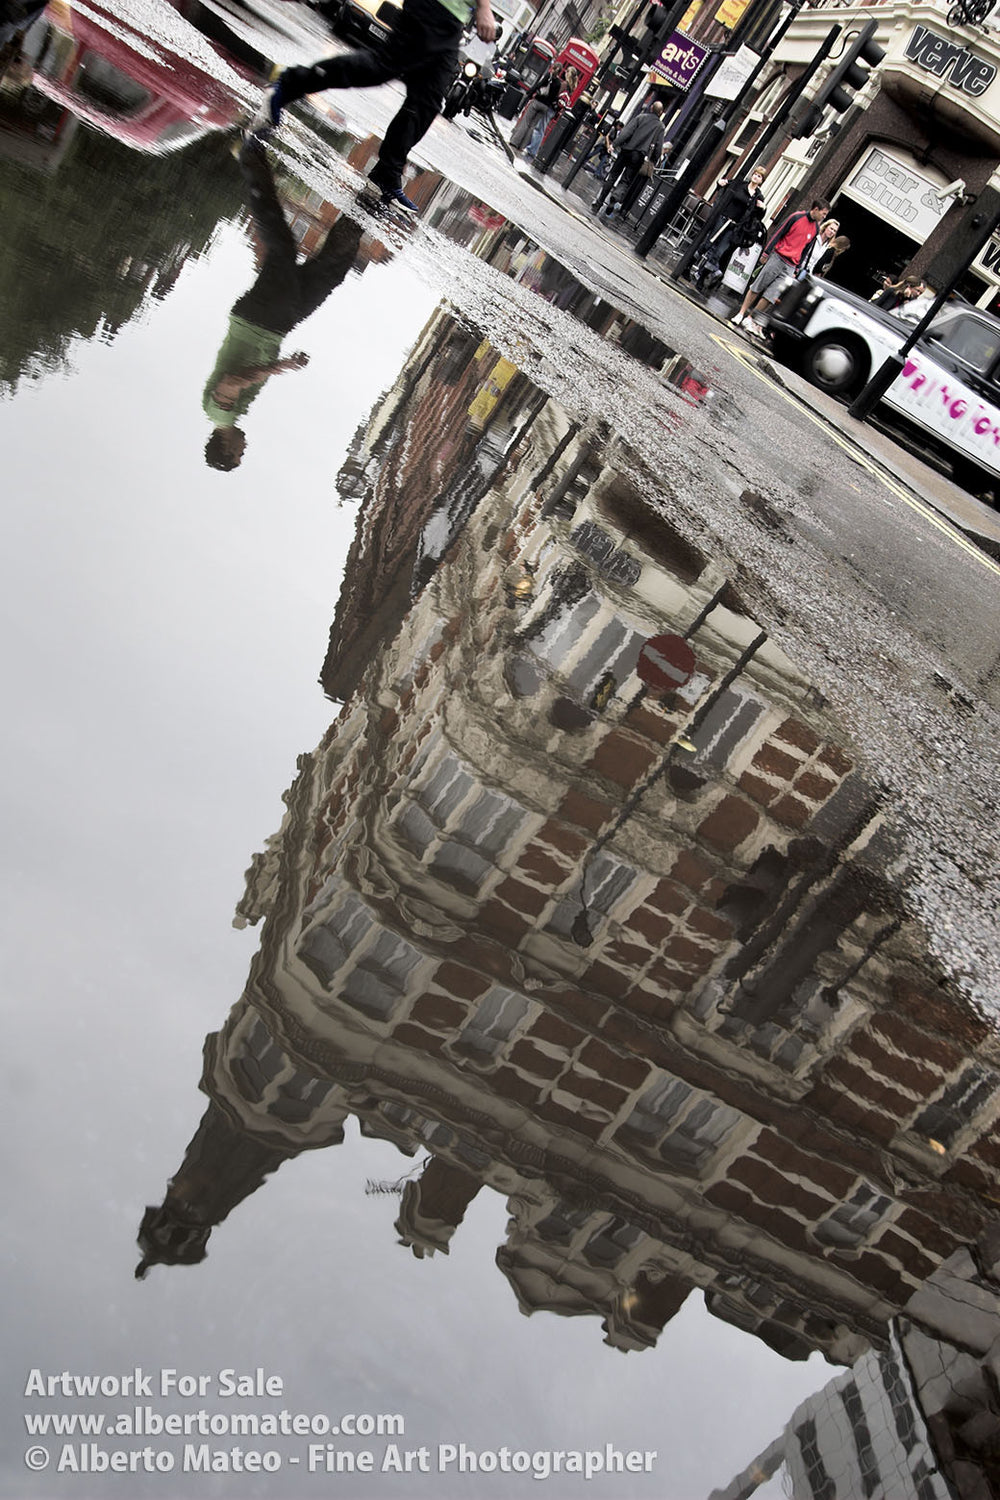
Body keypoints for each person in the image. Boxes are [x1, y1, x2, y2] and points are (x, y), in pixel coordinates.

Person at [203, 139, 367, 471]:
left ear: (225, 448)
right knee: (329, 273)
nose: (243, 449)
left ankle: (251, 159)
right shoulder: (228, 415)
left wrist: (280, 368)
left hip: (259, 321)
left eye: (238, 454)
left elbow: (232, 382)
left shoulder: (220, 413)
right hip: (275, 324)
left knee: (283, 251)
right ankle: (368, 205)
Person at [248, 0, 497, 213]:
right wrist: (484, 7)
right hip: (433, 8)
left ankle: (387, 172)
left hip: (452, 20)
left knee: (428, 98)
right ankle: (289, 85)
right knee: (381, 67)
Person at [730, 198, 829, 334]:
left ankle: (750, 317)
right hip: (778, 257)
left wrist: (798, 268)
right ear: (816, 209)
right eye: (823, 214)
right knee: (758, 286)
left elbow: (806, 249)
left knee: (772, 296)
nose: (824, 217)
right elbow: (778, 233)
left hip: (791, 266)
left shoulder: (816, 229)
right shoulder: (796, 217)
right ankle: (740, 313)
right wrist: (766, 252)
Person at [691, 167, 767, 289]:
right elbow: (724, 186)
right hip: (723, 218)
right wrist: (720, 183)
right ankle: (688, 264)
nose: (756, 176)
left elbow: (757, 216)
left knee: (719, 252)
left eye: (759, 176)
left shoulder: (758, 197)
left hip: (735, 227)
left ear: (761, 181)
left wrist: (763, 208)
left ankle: (701, 278)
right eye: (755, 174)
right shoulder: (739, 184)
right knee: (708, 244)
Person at [592, 100, 666, 217]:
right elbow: (658, 146)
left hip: (626, 150)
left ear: (651, 108)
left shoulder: (640, 117)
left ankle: (599, 202)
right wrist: (654, 160)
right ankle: (614, 197)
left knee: (612, 176)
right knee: (625, 180)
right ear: (661, 113)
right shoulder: (660, 127)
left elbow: (626, 133)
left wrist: (614, 144)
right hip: (639, 156)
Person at [510, 60, 565, 158]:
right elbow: (554, 97)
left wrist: (530, 93)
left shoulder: (548, 76)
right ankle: (522, 146)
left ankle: (515, 141)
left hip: (537, 102)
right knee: (532, 126)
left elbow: (539, 85)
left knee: (526, 122)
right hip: (545, 107)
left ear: (553, 68)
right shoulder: (558, 83)